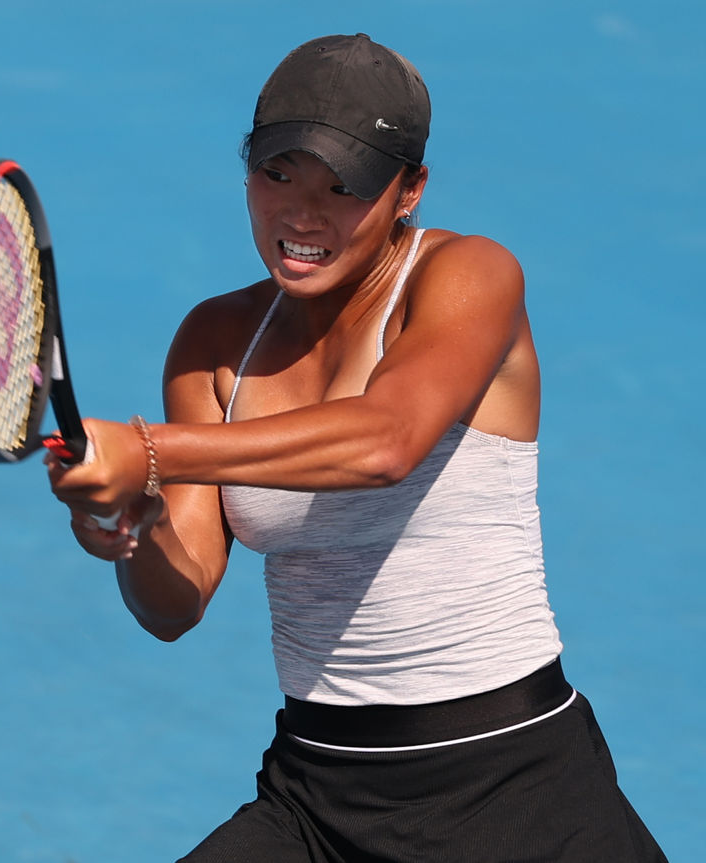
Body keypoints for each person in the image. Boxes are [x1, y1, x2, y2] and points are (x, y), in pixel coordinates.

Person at [46, 33, 667, 862]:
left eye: (345, 187)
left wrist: (151, 451)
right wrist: (130, 522)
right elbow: (174, 603)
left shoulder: (470, 275)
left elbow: (387, 440)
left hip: (517, 791)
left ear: (410, 190)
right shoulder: (215, 339)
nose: (303, 214)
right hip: (314, 800)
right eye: (279, 175)